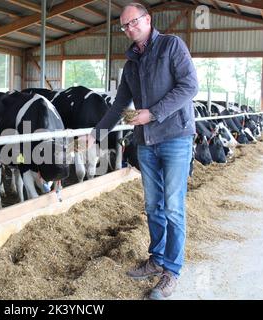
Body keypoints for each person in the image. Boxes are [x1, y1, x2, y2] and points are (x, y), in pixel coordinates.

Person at [83, 3, 198, 300]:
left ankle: (171, 271)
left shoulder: (171, 46)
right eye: (124, 25)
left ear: (147, 19)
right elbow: (119, 103)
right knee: (153, 206)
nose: (129, 28)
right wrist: (95, 135)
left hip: (175, 137)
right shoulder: (131, 63)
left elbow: (189, 86)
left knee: (173, 207)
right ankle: (157, 258)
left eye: (133, 22)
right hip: (146, 141)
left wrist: (153, 113)